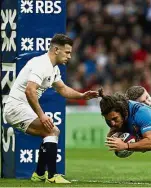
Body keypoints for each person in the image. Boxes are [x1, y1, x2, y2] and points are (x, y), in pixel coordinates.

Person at [3, 34, 98, 183]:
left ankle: (40, 174)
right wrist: (41, 115)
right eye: (67, 52)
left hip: (21, 108)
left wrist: (82, 95)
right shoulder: (42, 64)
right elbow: (30, 90)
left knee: (52, 131)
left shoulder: (53, 68)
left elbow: (62, 89)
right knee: (51, 130)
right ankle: (52, 176)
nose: (70, 56)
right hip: (16, 108)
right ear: (56, 50)